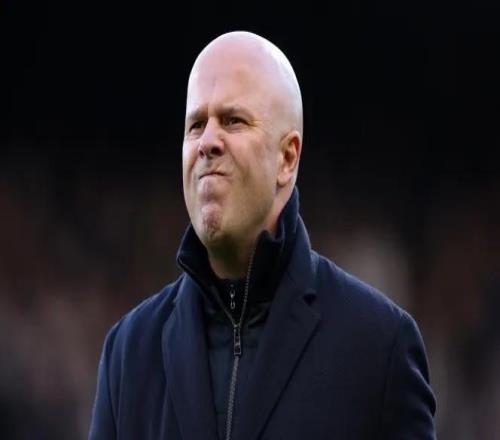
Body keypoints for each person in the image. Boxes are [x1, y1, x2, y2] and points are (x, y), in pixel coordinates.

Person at [89, 31, 436, 439]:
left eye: (232, 120)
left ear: (287, 158)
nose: (207, 142)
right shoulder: (129, 353)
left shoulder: (379, 346)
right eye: (196, 125)